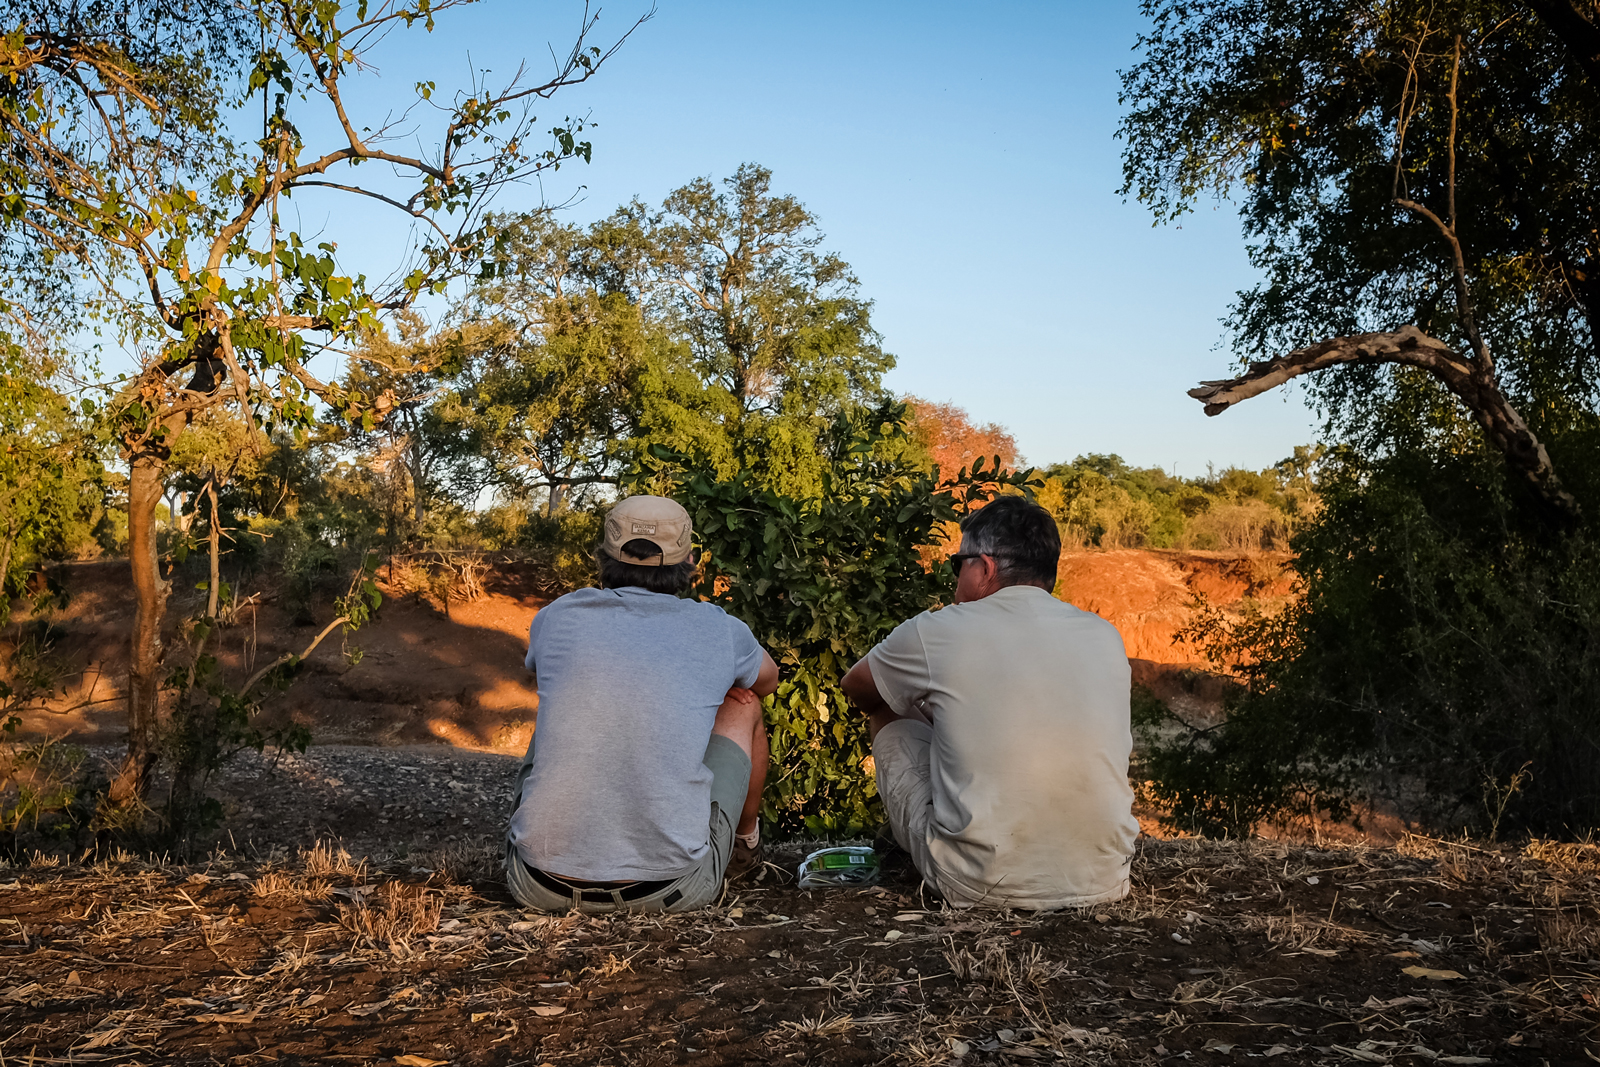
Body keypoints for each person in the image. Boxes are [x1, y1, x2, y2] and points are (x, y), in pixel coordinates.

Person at [841, 495, 1138, 909]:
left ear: (985, 566)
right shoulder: (1104, 635)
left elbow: (858, 689)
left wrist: (929, 710)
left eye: (957, 564)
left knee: (889, 711)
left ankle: (934, 847)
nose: (955, 578)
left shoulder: (939, 630)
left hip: (978, 885)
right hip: (1104, 878)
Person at [505, 495, 779, 913]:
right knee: (744, 706)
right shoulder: (718, 628)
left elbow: (540, 672)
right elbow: (768, 680)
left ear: (605, 555)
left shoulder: (558, 616)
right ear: (689, 559)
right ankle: (745, 846)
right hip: (671, 890)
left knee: (574, 704)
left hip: (537, 884)